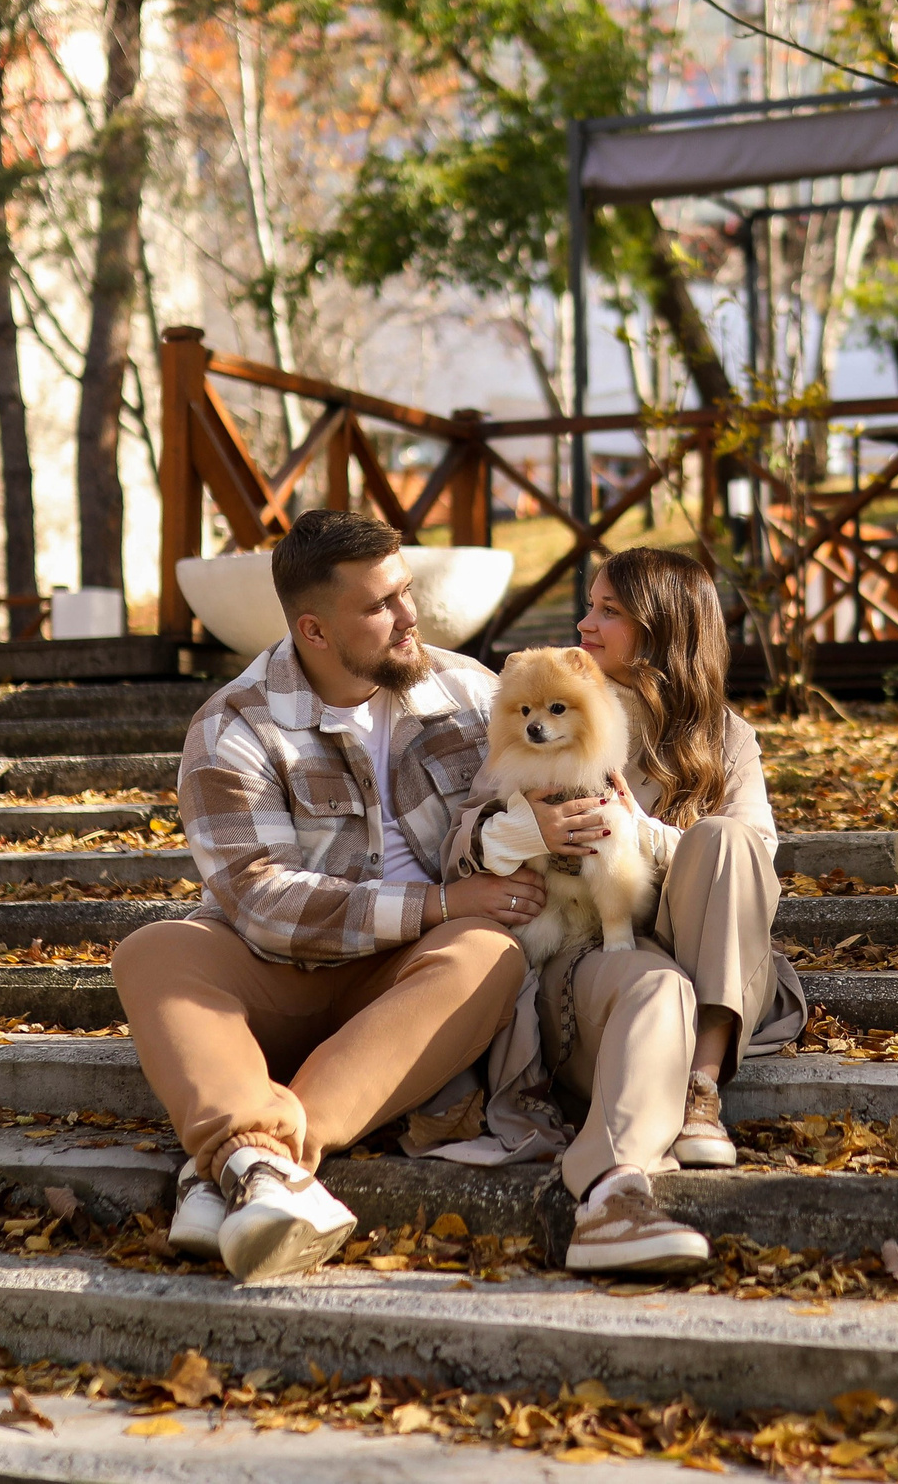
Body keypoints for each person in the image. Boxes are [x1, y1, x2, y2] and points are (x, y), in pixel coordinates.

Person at [110, 510, 546, 1283]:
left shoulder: (473, 696)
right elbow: (262, 902)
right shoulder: (231, 727)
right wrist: (439, 904)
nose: (410, 618)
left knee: (489, 953)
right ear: (314, 630)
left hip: (413, 988)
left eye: (406, 593)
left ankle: (251, 1163)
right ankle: (265, 1163)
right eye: (380, 607)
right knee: (154, 950)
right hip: (282, 975)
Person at [446, 547, 805, 1274]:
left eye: (609, 610)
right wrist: (525, 830)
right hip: (593, 959)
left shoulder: (727, 738)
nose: (585, 623)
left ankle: (701, 1088)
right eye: (589, 604)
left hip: (708, 954)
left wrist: (638, 833)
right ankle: (611, 1191)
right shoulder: (558, 706)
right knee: (652, 980)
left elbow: (756, 866)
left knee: (729, 839)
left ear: (664, 626)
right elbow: (462, 843)